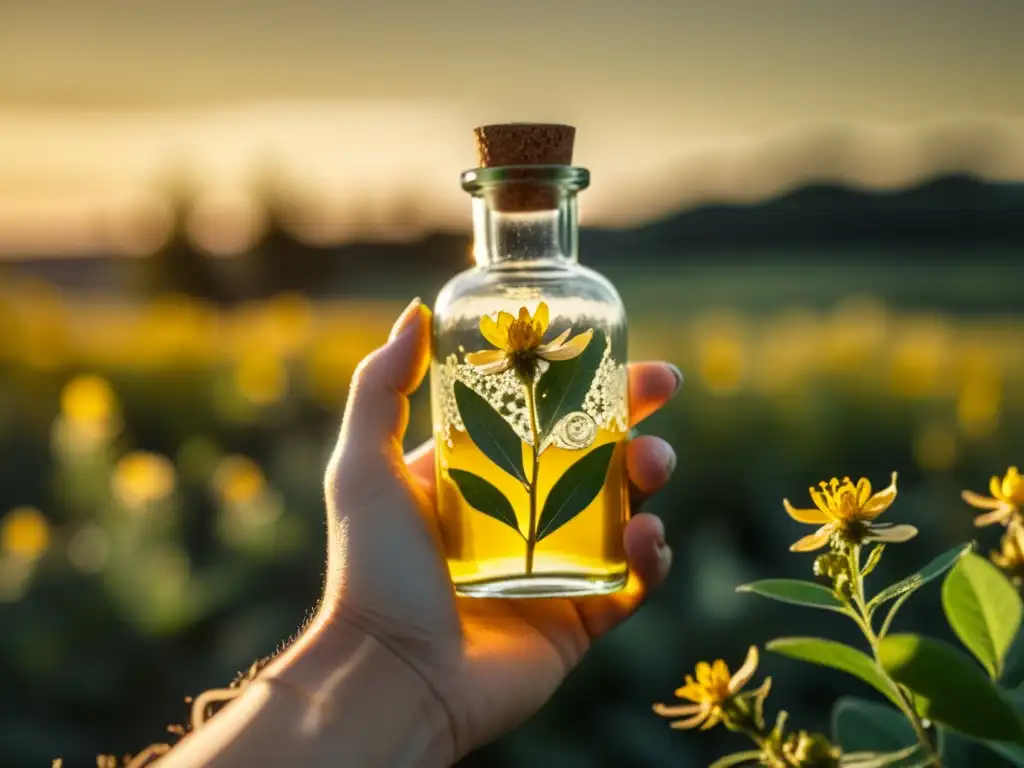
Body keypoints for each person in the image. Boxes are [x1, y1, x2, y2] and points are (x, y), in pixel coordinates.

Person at [159, 299, 680, 767]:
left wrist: (383, 657)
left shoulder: (586, 305)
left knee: (621, 462)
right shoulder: (473, 309)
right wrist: (381, 641)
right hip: (463, 612)